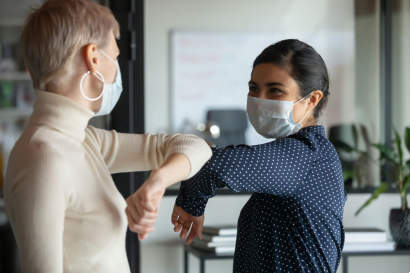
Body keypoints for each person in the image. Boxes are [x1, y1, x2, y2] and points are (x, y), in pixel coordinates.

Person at [3, 0, 212, 272]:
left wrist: (157, 181)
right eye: (114, 57)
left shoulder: (83, 139)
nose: (116, 69)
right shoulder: (44, 156)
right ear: (93, 57)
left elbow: (196, 146)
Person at [170, 39, 348, 272]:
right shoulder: (305, 153)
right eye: (254, 88)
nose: (260, 99)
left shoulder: (306, 154)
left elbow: (212, 165)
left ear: (312, 100)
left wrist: (191, 204)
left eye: (275, 90)